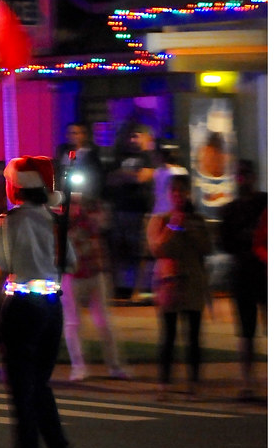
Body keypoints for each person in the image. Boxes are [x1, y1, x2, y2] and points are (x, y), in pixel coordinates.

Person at [0, 156, 78, 448]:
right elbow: (69, 262)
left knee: (21, 393)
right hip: (52, 306)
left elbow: (3, 265)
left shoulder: (7, 222)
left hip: (22, 306)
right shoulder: (55, 221)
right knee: (38, 384)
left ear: (15, 187)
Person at [146, 174, 212, 400]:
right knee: (169, 335)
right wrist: (174, 225)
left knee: (193, 335)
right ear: (168, 194)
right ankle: (164, 384)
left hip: (193, 283)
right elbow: (158, 249)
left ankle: (193, 383)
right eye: (173, 192)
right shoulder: (161, 221)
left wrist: (190, 230)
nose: (178, 196)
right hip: (170, 284)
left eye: (181, 191)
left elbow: (206, 247)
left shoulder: (198, 221)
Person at [61, 193, 130, 381]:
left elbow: (103, 224)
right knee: (73, 323)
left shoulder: (89, 219)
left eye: (77, 203)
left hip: (94, 273)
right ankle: (79, 367)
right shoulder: (62, 224)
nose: (75, 207)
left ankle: (115, 366)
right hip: (72, 276)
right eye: (72, 203)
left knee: (104, 323)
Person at [219, 160, 268, 400]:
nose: (243, 179)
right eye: (239, 175)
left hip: (265, 271)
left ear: (253, 177)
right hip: (243, 274)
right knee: (246, 332)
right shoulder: (230, 209)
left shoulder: (265, 203)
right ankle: (248, 383)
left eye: (246, 175)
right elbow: (225, 243)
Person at [106, 123, 156, 299]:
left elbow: (143, 177)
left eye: (137, 136)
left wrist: (124, 175)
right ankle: (119, 290)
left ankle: (137, 291)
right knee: (118, 251)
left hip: (140, 211)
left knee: (139, 253)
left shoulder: (150, 157)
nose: (133, 139)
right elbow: (111, 179)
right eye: (131, 136)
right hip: (120, 210)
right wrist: (130, 176)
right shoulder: (120, 156)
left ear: (147, 138)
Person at [56, 122, 105, 199]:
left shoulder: (91, 155)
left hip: (83, 193)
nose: (71, 136)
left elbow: (96, 176)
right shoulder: (62, 152)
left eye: (75, 133)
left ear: (83, 135)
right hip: (63, 192)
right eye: (69, 133)